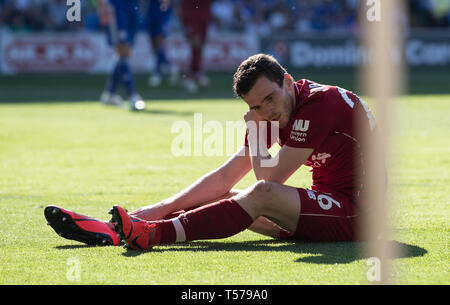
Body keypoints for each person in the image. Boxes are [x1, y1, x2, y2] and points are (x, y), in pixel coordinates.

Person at [45, 53, 382, 249]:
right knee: (216, 198)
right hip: (324, 210)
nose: (267, 110)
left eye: (270, 99)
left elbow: (269, 182)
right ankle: (129, 227)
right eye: (257, 107)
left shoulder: (320, 105)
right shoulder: (279, 110)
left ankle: (152, 236)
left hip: (359, 216)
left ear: (289, 82)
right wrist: (154, 208)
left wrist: (255, 127)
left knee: (259, 193)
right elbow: (225, 177)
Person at [98, 0, 146, 111]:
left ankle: (110, 94)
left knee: (125, 53)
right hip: (116, 6)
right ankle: (132, 95)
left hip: (133, 5)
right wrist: (101, 4)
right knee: (123, 49)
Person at [177, 0, 212, 93]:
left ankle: (192, 74)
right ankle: (196, 73)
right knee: (195, 42)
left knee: (200, 44)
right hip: (191, 10)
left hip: (204, 9)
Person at [146, 0, 179, 87]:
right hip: (152, 11)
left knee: (159, 42)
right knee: (154, 47)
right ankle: (170, 66)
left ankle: (157, 73)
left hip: (162, 12)